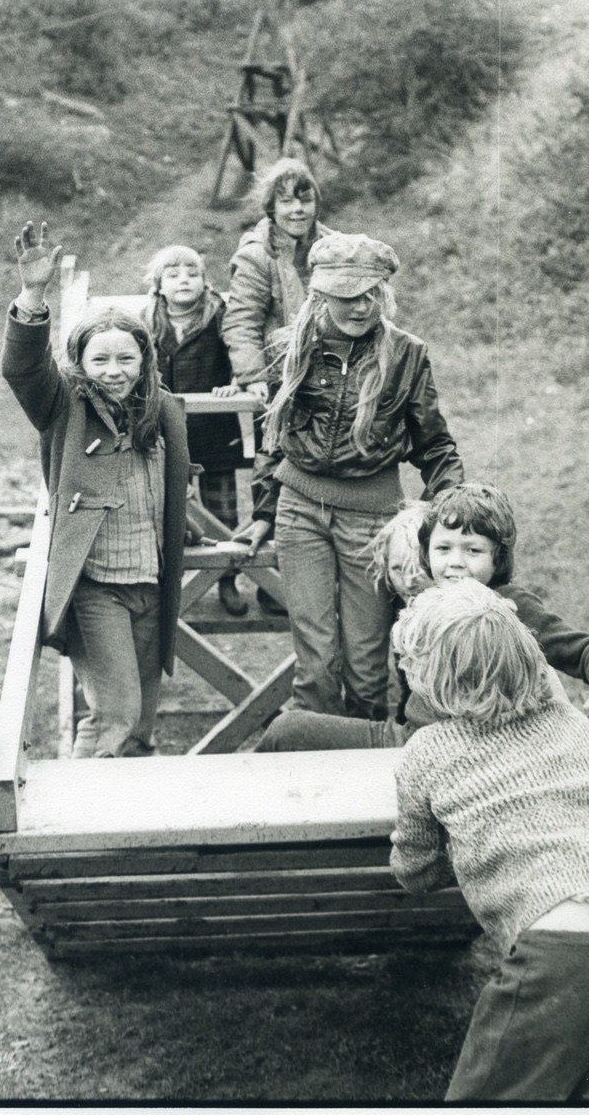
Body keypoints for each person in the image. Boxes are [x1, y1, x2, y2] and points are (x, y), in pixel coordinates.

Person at [390, 579, 589, 1102]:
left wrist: (466, 846)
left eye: (408, 662)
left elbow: (415, 871)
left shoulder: (428, 750)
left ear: (431, 678)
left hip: (558, 956)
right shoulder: (573, 725)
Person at [242, 232, 464, 719]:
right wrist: (262, 508)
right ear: (319, 295)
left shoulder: (407, 354)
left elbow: (434, 442)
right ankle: (315, 765)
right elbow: (273, 433)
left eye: (369, 295)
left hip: (372, 518)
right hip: (298, 512)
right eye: (345, 296)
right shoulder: (289, 347)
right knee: (315, 659)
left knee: (367, 662)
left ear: (384, 293)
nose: (359, 307)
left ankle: (364, 762)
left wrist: (452, 511)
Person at [2, 222, 190, 758]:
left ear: (144, 361)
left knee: (141, 725)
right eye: (100, 360)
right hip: (96, 586)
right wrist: (33, 296)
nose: (114, 371)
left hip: (152, 585)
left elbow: (168, 489)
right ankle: (75, 823)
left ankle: (127, 830)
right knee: (114, 715)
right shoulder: (65, 409)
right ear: (80, 364)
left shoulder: (165, 412)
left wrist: (192, 528)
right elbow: (22, 369)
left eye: (126, 358)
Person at [406, 482, 589, 736]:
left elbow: (587, 649)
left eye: (473, 550)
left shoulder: (510, 608)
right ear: (427, 552)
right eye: (443, 548)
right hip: (420, 737)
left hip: (493, 745)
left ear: (498, 558)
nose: (455, 563)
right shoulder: (428, 604)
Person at [256, 503, 428, 750]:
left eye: (418, 569)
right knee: (290, 727)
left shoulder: (448, 615)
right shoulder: (406, 607)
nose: (409, 581)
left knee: (288, 730)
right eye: (398, 569)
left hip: (423, 742)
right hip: (410, 732)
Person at [143, 244, 250, 617]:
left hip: (216, 430)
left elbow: (242, 348)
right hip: (169, 434)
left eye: (192, 273)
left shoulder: (220, 315)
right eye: (173, 275)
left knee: (223, 511)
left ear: (205, 282)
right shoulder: (150, 321)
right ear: (159, 286)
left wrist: (236, 381)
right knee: (172, 509)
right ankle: (171, 582)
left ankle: (227, 578)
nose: (184, 280)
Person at [221, 157, 331, 405]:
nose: (298, 210)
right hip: (276, 376)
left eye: (306, 200)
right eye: (287, 201)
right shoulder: (256, 255)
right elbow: (242, 321)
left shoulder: (334, 247)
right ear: (271, 207)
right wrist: (253, 375)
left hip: (330, 373)